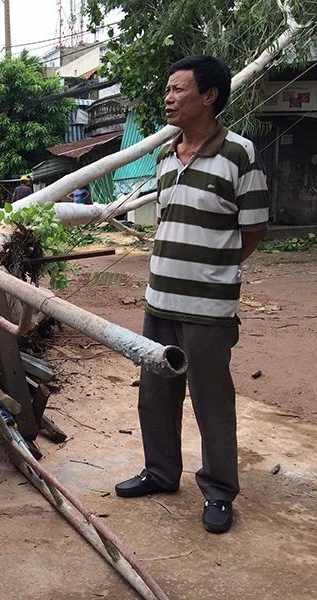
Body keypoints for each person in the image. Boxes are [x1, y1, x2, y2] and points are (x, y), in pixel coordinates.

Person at [114, 55, 269, 535]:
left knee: (211, 401)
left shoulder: (239, 155)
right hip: (158, 302)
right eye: (168, 89)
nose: (169, 98)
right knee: (155, 396)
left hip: (208, 311)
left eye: (179, 89)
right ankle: (160, 473)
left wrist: (211, 273)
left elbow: (253, 231)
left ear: (209, 96)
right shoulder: (164, 160)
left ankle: (219, 492)